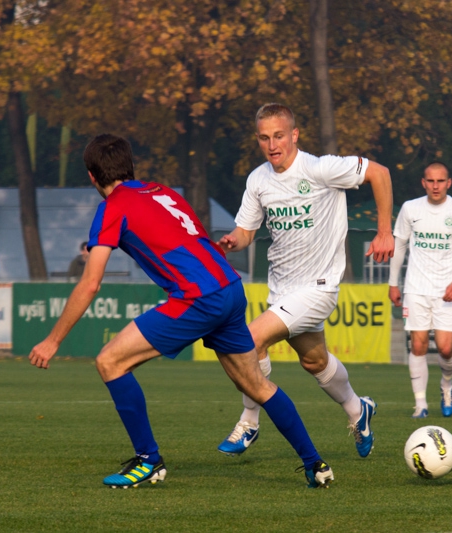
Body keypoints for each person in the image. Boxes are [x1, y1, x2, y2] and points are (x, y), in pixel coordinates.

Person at [29, 134, 334, 489]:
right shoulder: (162, 192)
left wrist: (52, 341)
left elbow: (90, 283)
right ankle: (316, 464)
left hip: (198, 297)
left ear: (92, 177)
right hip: (229, 287)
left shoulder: (113, 207)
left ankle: (148, 460)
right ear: (130, 166)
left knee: (110, 361)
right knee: (255, 384)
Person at [217, 103, 394, 458]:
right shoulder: (258, 179)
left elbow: (381, 173)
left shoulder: (320, 168)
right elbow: (246, 231)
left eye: (279, 135)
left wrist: (385, 231)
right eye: (264, 138)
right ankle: (359, 411)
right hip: (283, 289)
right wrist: (233, 241)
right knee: (314, 361)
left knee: (249, 341)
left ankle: (249, 422)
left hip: (319, 286)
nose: (272, 144)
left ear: (294, 135)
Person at [388, 162, 452, 418]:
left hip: (446, 289)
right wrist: (393, 282)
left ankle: (446, 386)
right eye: (431, 181)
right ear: (423, 183)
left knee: (446, 348)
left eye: (440, 181)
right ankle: (420, 404)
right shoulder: (410, 208)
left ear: (448, 183)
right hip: (416, 287)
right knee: (418, 345)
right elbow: (400, 245)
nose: (435, 186)